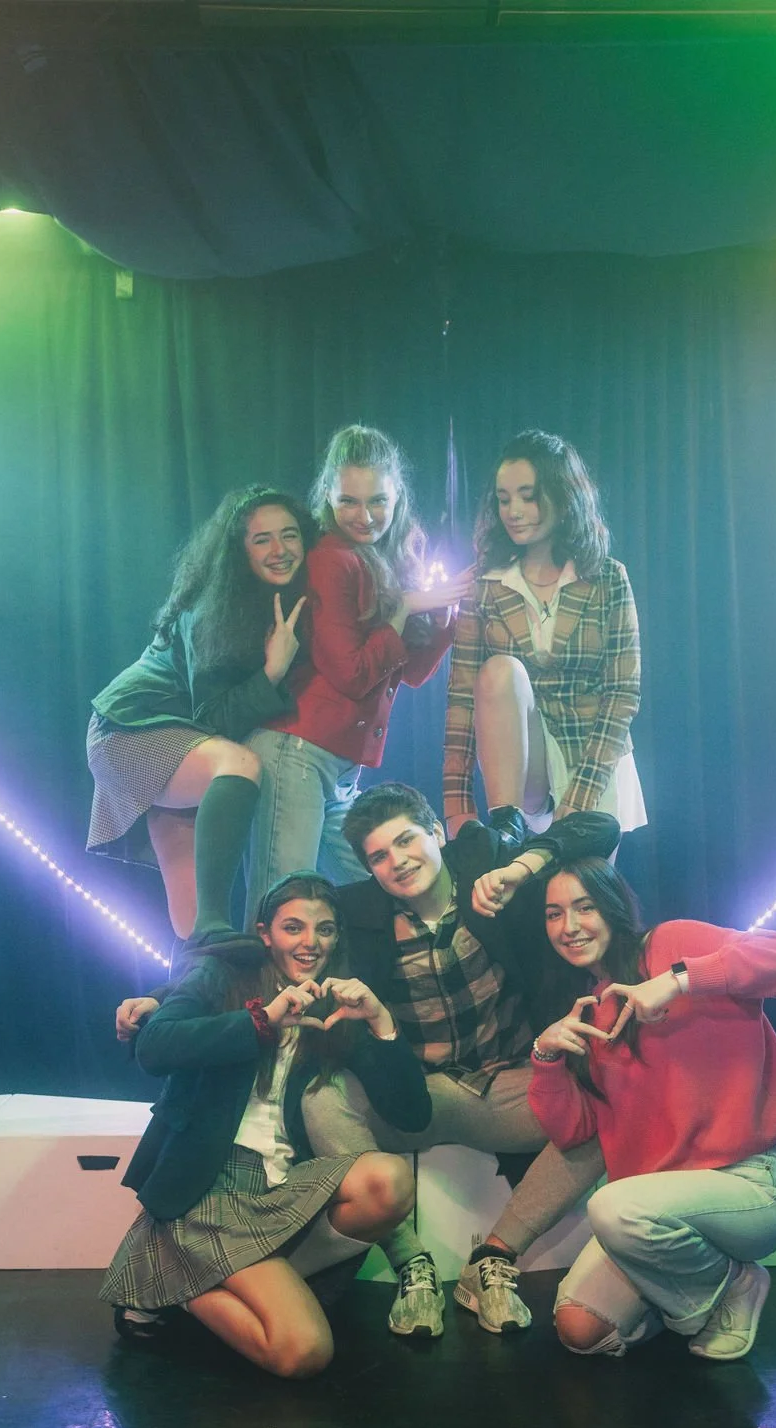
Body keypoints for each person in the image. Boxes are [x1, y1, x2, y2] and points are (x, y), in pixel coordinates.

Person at [300, 781, 621, 1341]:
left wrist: (519, 869)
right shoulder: (357, 912)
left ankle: (494, 1258)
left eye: (406, 841)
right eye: (379, 856)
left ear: (436, 832)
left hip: (503, 1084)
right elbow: (278, 940)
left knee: (601, 1111)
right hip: (413, 1096)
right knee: (321, 1097)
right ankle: (411, 1263)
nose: (398, 862)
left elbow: (601, 827)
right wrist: (170, 998)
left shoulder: (486, 863)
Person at [101, 872, 430, 1379]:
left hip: (281, 1182)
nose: (310, 942)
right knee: (304, 1352)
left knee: (390, 1181)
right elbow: (156, 1047)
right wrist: (261, 1020)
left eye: (324, 929)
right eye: (293, 927)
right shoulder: (222, 975)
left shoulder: (337, 1001)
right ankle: (177, 1282)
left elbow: (412, 1113)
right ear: (266, 933)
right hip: (209, 1185)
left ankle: (185, 1274)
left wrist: (382, 1022)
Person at [527, 857, 776, 1361]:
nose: (569, 927)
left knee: (612, 1208)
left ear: (612, 907)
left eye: (584, 907)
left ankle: (737, 1284)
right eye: (553, 914)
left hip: (745, 1183)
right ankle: (691, 1294)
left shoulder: (671, 943)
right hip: (655, 1210)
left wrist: (680, 979)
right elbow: (574, 1132)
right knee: (578, 1328)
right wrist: (546, 1059)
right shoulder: (587, 1010)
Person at [241, 425, 473, 927]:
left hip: (340, 769)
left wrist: (445, 617)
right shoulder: (331, 560)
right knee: (282, 908)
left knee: (379, 902)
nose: (364, 517)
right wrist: (405, 608)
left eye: (377, 501)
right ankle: (252, 985)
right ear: (326, 495)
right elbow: (351, 675)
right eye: (349, 501)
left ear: (397, 496)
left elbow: (411, 673)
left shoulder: (387, 558)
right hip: (297, 754)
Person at [87, 486, 315, 942]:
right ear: (238, 550)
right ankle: (217, 927)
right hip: (131, 730)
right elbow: (213, 719)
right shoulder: (213, 610)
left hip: (177, 741)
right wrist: (272, 672)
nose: (279, 549)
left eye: (289, 535)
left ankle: (200, 969)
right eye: (262, 539)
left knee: (190, 927)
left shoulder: (274, 603)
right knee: (240, 764)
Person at [443, 428, 646, 845]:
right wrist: (457, 805)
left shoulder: (608, 577)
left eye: (528, 496)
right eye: (504, 499)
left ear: (563, 495)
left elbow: (622, 694)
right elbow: (462, 697)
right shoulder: (484, 583)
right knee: (500, 671)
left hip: (591, 760)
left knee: (580, 885)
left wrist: (581, 796)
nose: (514, 511)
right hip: (521, 769)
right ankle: (507, 828)